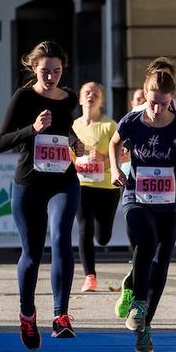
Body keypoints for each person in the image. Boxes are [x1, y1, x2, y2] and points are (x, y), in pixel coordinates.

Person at [0, 41, 82, 349]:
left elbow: (66, 128)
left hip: (63, 179)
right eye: (45, 71)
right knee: (32, 254)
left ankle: (61, 317)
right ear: (33, 69)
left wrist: (75, 142)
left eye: (56, 71)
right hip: (30, 182)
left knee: (60, 238)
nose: (51, 77)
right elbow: (1, 141)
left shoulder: (69, 97)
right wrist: (32, 129)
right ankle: (27, 313)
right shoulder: (23, 97)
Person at [109, 69, 176, 352]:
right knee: (147, 242)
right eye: (152, 102)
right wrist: (114, 169)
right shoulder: (132, 121)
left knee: (160, 264)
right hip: (136, 196)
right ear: (145, 95)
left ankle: (145, 326)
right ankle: (137, 299)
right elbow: (113, 142)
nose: (157, 109)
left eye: (163, 103)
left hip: (168, 203)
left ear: (172, 99)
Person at [72, 82, 120, 292]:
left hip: (107, 187)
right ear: (81, 99)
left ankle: (102, 239)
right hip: (81, 184)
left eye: (96, 93)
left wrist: (104, 159)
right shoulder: (74, 126)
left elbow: (123, 154)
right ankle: (89, 276)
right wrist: (75, 161)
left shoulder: (110, 126)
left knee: (103, 236)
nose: (91, 96)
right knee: (84, 228)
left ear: (101, 100)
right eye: (87, 93)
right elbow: (68, 154)